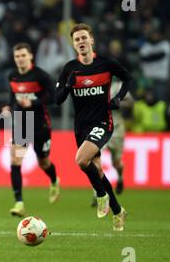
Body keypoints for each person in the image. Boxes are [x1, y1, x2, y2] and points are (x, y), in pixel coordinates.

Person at [55, 23, 133, 231]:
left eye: (83, 38)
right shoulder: (70, 69)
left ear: (91, 41)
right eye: (77, 39)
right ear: (73, 44)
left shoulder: (106, 64)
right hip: (81, 127)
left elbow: (127, 77)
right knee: (96, 169)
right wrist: (67, 85)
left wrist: (118, 98)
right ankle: (118, 211)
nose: (81, 42)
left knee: (81, 160)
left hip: (102, 123)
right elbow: (57, 99)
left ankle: (101, 195)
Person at [1, 42, 60, 217]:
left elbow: (54, 97)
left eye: (23, 55)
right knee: (15, 160)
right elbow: (13, 97)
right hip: (22, 125)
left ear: (30, 56)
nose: (20, 59)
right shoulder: (12, 76)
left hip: (41, 124)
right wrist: (8, 107)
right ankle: (19, 203)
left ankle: (54, 180)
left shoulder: (41, 75)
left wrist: (33, 102)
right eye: (17, 56)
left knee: (44, 162)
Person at [91, 80, 134, 207]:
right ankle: (98, 194)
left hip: (116, 129)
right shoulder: (95, 84)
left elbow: (131, 102)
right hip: (99, 128)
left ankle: (120, 178)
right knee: (95, 160)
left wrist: (118, 101)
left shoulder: (118, 86)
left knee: (117, 162)